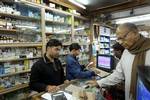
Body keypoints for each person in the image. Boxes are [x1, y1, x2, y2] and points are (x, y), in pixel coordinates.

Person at [87, 23, 150, 100]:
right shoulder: (126, 53)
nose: (120, 42)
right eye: (118, 39)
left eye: (122, 38)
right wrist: (99, 83)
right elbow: (118, 75)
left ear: (135, 33)